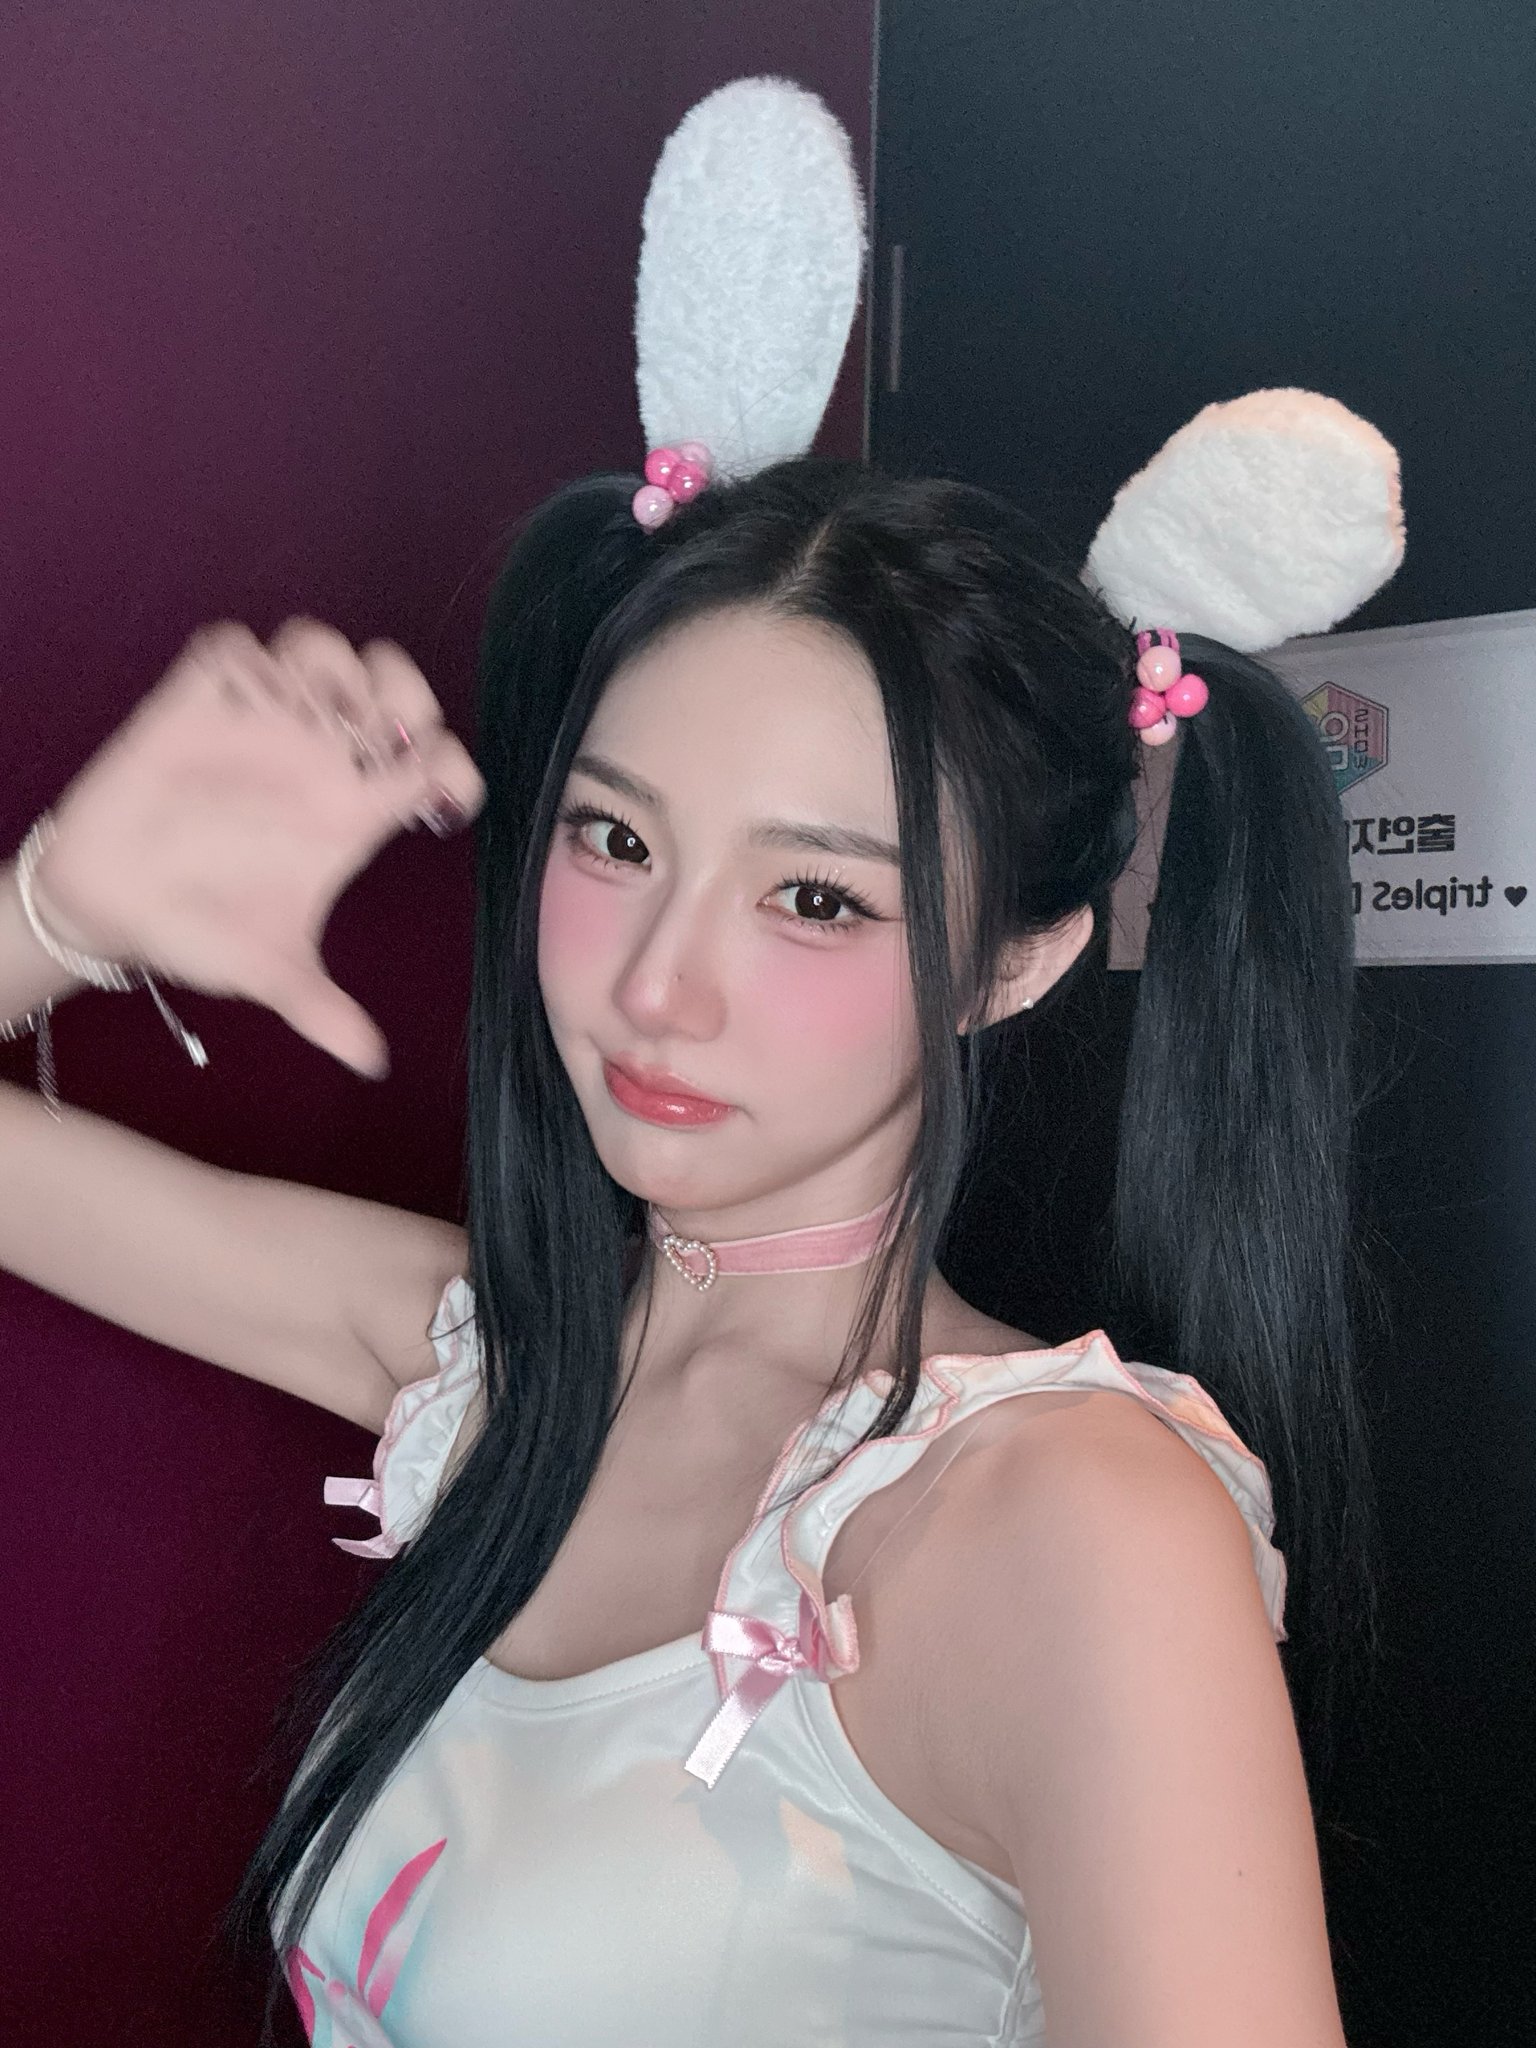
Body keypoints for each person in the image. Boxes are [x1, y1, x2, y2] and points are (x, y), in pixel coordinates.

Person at [1, 76, 1400, 2048]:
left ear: (1017, 961)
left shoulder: (1073, 1528)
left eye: (814, 898)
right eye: (615, 838)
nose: (659, 988)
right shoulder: (479, 1370)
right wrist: (59, 908)